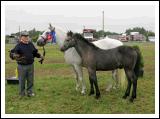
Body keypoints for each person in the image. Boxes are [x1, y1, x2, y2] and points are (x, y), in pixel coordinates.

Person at [10, 31, 44, 97]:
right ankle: (22, 94)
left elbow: (34, 53)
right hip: (22, 66)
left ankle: (30, 92)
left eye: (27, 36)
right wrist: (14, 55)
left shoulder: (30, 44)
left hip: (31, 65)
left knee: (30, 80)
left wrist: (40, 56)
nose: (26, 37)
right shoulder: (18, 45)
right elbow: (12, 54)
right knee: (22, 80)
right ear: (21, 37)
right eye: (24, 36)